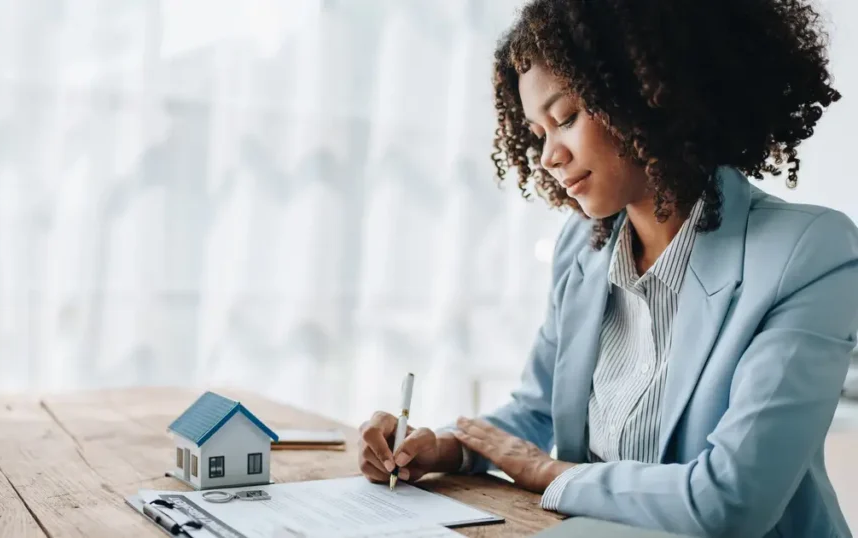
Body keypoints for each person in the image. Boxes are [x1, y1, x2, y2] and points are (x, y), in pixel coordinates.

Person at [356, 1, 858, 537]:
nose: (549, 155)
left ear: (647, 95)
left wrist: (551, 474)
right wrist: (445, 449)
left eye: (566, 118)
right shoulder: (583, 248)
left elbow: (732, 500)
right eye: (538, 131)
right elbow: (533, 411)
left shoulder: (808, 252)